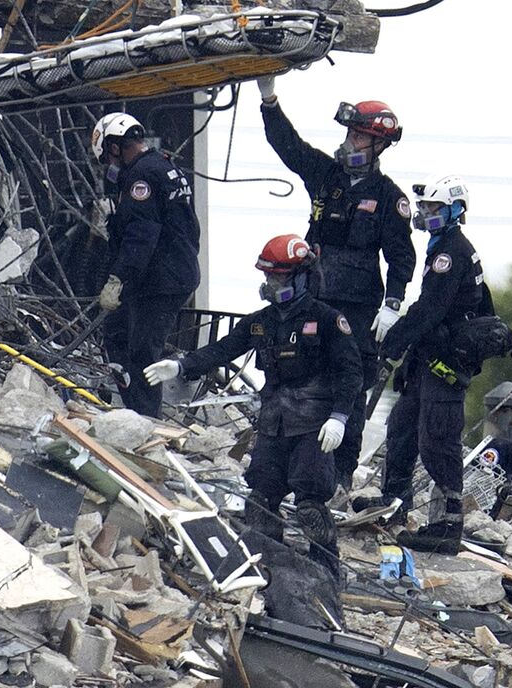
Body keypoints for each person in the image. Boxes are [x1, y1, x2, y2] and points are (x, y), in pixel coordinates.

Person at [143, 235, 362, 575]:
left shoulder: (327, 320)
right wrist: (182, 366)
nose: (271, 284)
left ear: (301, 277)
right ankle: (269, 566)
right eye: (268, 276)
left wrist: (339, 417)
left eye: (278, 277)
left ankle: (327, 569)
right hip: (274, 421)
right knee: (260, 500)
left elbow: (351, 373)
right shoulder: (262, 321)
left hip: (313, 425)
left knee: (310, 504)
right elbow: (223, 349)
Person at [257, 76, 415, 493]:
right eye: (349, 134)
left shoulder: (389, 197)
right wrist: (269, 100)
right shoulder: (326, 175)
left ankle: (341, 474)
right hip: (313, 297)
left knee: (350, 384)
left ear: (379, 145)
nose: (350, 142)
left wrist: (393, 303)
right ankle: (284, 468)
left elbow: (401, 257)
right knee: (297, 375)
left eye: (359, 136)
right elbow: (289, 147)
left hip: (357, 307)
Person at [357, 174, 492, 554]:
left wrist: (394, 341)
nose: (425, 213)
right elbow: (432, 311)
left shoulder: (452, 252)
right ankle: (394, 501)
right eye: (425, 207)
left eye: (434, 208)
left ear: (454, 210)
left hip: (446, 363)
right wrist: (408, 356)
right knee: (401, 426)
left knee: (438, 441)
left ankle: (448, 524)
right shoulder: (441, 247)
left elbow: (431, 309)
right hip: (429, 357)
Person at [92, 112, 200, 417]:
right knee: (117, 333)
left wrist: (117, 279)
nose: (111, 166)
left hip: (162, 279)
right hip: (167, 273)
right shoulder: (165, 167)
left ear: (115, 147)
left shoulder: (141, 177)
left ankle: (145, 420)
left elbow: (141, 235)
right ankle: (133, 409)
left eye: (109, 158)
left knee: (142, 351)